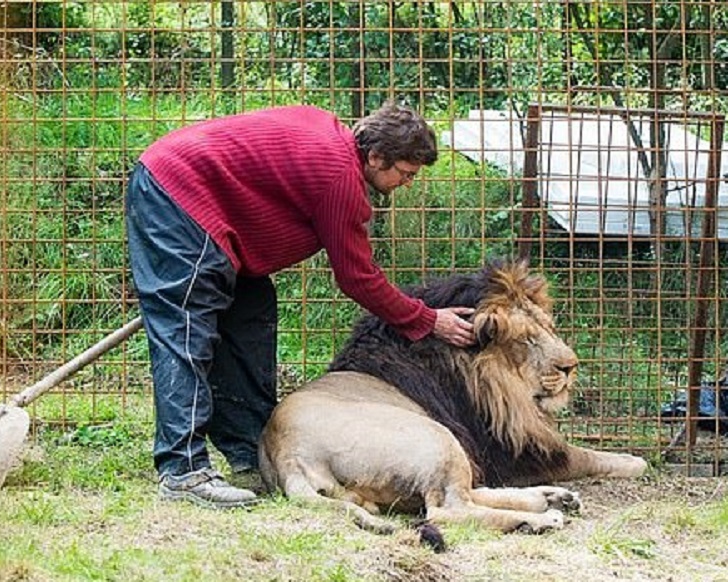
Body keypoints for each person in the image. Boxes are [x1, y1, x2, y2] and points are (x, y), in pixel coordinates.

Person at [125, 101, 476, 509]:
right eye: (406, 173)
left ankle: (249, 452)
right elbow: (358, 278)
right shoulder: (339, 179)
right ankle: (183, 471)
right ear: (377, 156)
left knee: (250, 313)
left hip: (207, 207)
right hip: (177, 194)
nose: (408, 183)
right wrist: (427, 319)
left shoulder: (331, 140)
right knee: (187, 327)